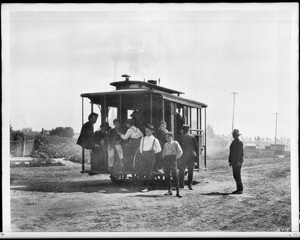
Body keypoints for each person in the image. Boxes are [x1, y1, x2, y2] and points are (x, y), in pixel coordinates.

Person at [138, 124, 161, 189]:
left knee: (148, 172)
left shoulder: (155, 140)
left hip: (151, 156)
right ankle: (141, 186)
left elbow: (159, 149)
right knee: (141, 171)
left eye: (148, 131)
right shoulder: (143, 139)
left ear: (152, 131)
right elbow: (140, 148)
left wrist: (152, 153)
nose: (146, 132)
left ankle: (146, 187)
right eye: (145, 131)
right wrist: (143, 152)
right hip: (143, 155)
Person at [162, 131, 183, 198]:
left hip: (173, 159)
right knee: (167, 175)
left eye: (168, 137)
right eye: (166, 137)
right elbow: (164, 152)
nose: (167, 138)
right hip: (167, 159)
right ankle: (169, 190)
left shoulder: (175, 143)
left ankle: (177, 192)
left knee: (175, 175)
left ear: (171, 137)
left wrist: (176, 157)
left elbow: (180, 151)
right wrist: (164, 159)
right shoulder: (165, 144)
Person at [178, 124, 198, 190]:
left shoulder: (181, 136)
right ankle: (190, 185)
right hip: (191, 155)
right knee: (190, 170)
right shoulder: (192, 136)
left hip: (184, 155)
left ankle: (181, 184)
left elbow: (179, 146)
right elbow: (196, 146)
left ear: (183, 129)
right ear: (188, 129)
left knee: (182, 170)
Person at [229, 129, 244, 194]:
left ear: (237, 135)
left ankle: (240, 189)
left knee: (237, 175)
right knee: (235, 175)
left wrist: (239, 161)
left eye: (235, 135)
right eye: (233, 135)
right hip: (233, 161)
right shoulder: (233, 142)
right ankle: (238, 188)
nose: (234, 136)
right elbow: (231, 152)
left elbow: (241, 153)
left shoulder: (240, 143)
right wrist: (230, 161)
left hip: (237, 162)